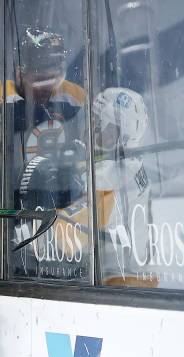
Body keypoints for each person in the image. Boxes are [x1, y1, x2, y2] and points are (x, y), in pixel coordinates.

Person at [0, 27, 85, 278]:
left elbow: (86, 161)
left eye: (54, 78)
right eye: (38, 80)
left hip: (56, 219)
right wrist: (27, 174)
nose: (46, 88)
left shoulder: (74, 98)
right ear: (19, 70)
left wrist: (73, 168)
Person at [51, 87, 154, 286]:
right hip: (118, 277)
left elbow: (65, 239)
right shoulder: (125, 163)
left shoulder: (115, 175)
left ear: (125, 139)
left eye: (106, 128)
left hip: (119, 285)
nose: (94, 131)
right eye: (94, 122)